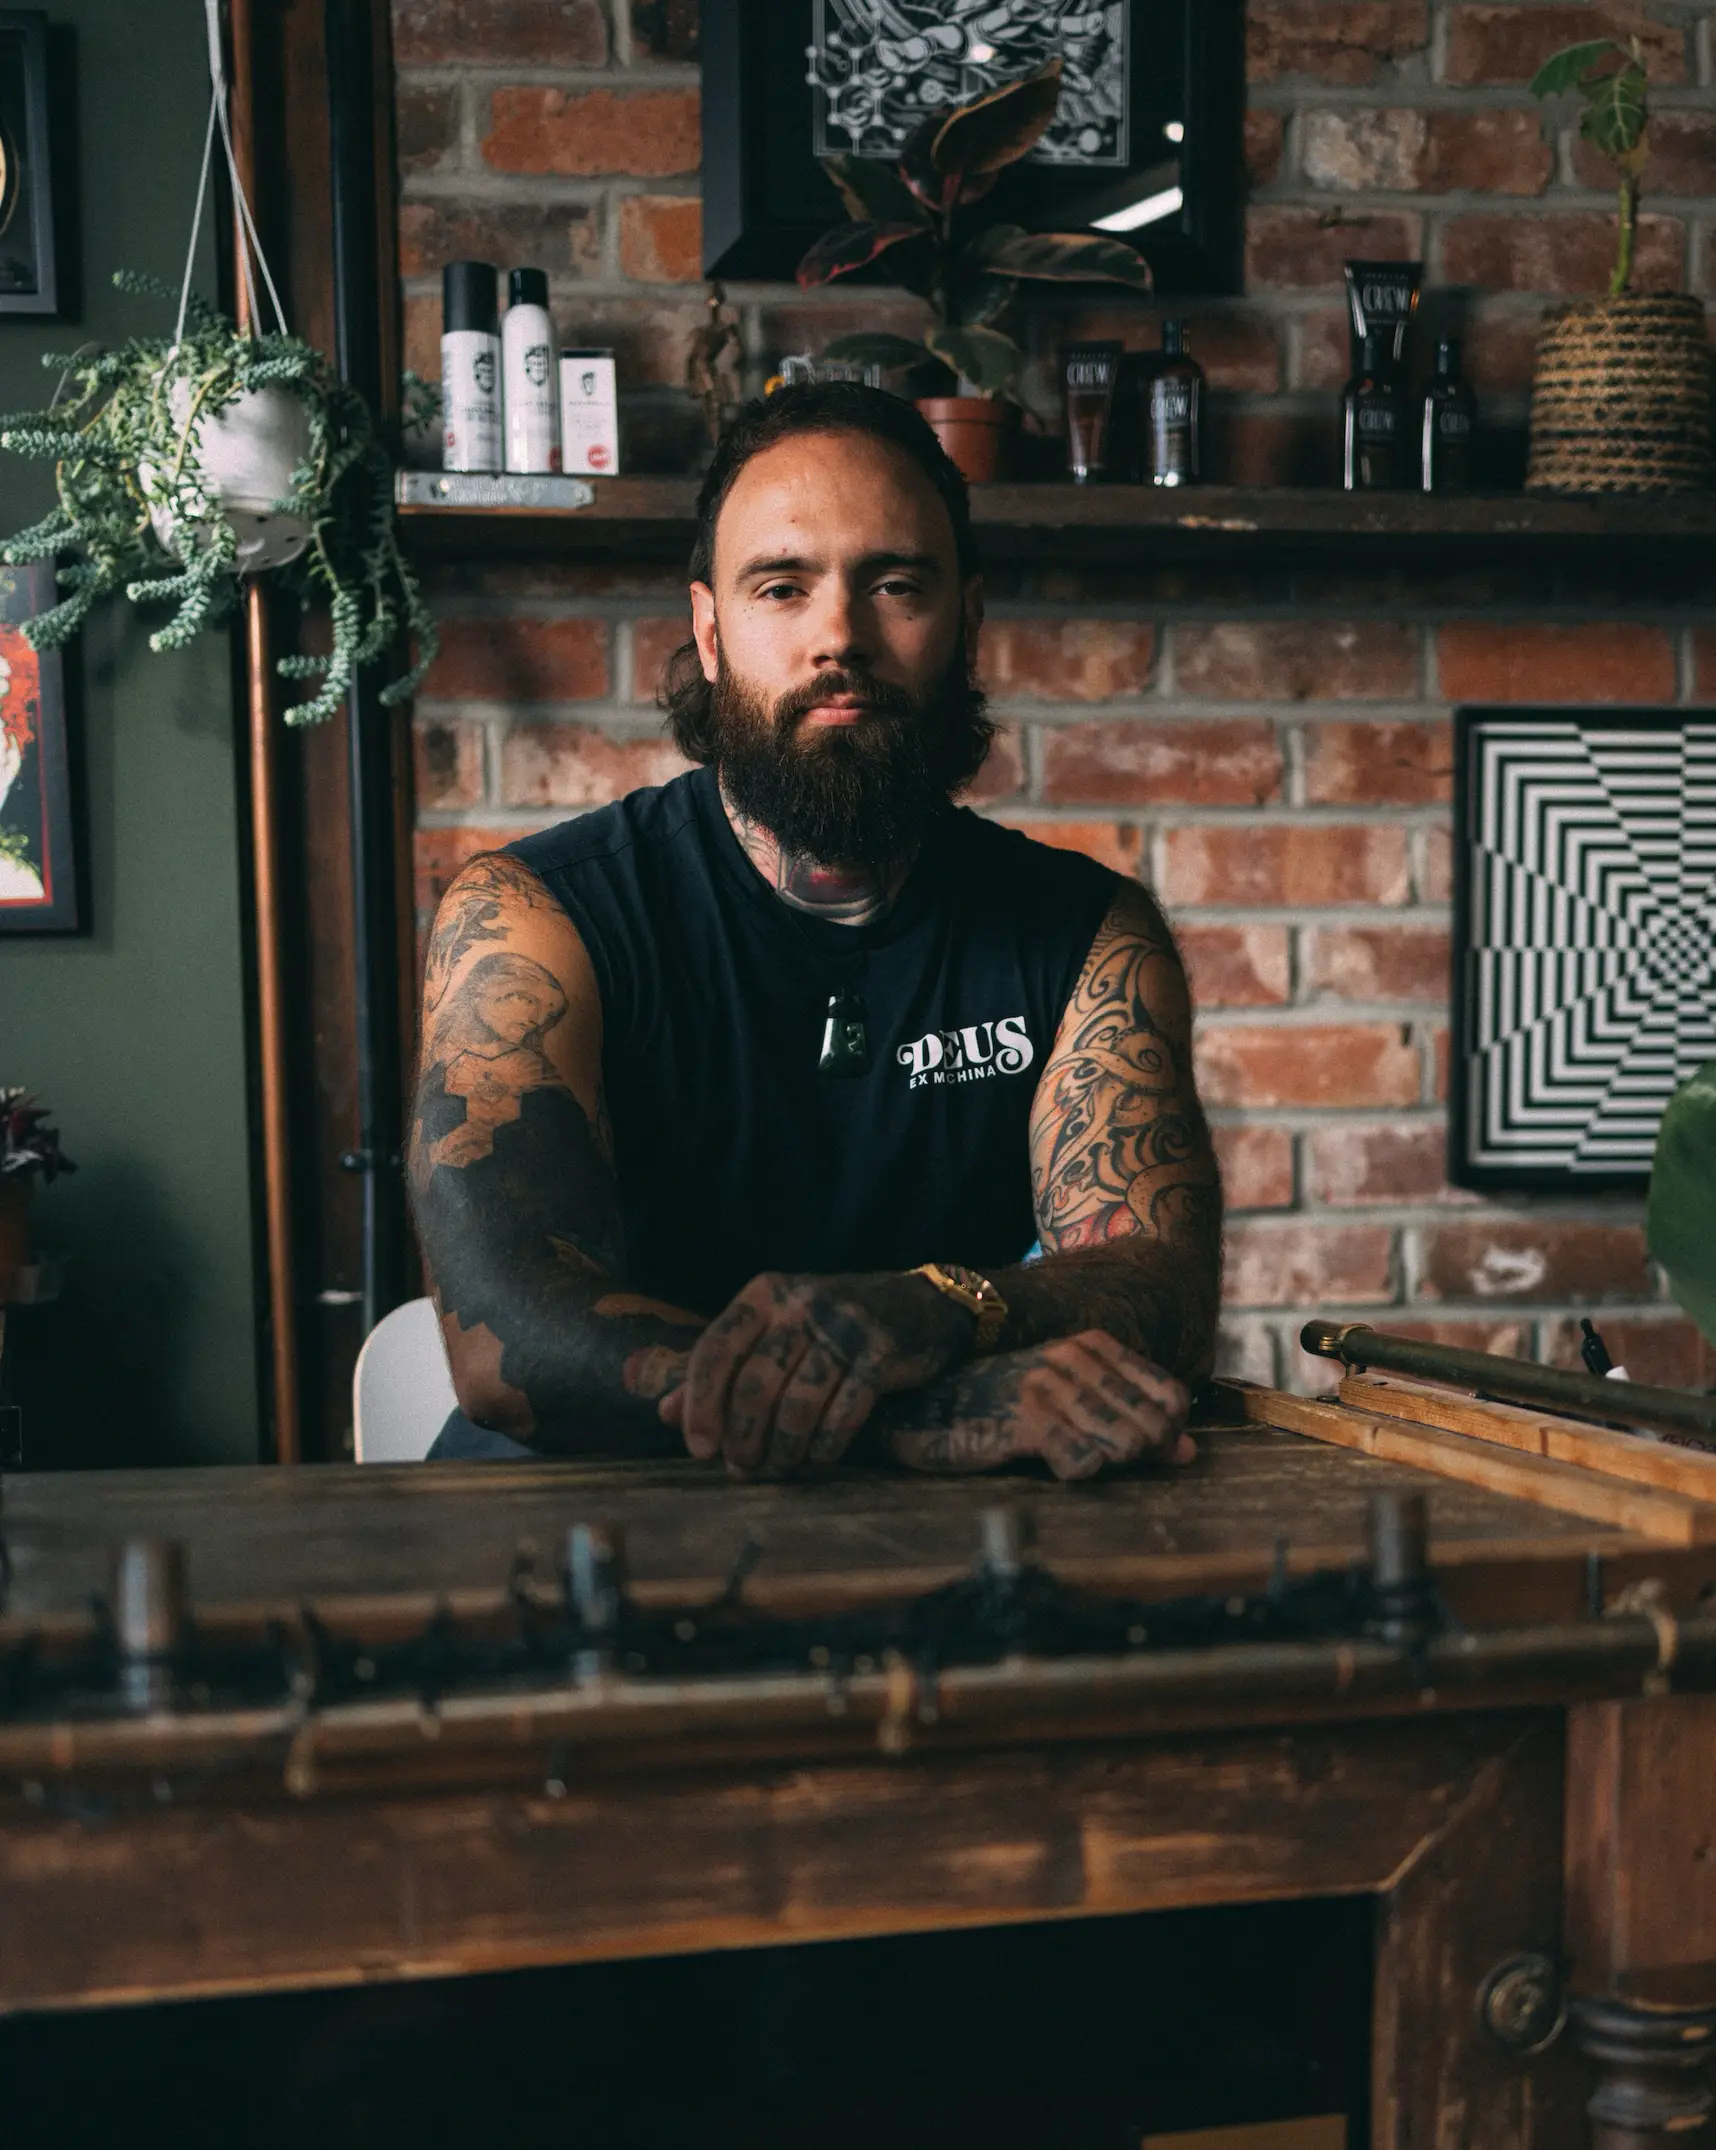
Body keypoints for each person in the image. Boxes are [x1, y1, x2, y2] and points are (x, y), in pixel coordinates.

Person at [411, 382, 1221, 1478]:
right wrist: (931, 1410)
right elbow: (509, 1338)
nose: (839, 637)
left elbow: (1159, 1285)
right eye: (781, 587)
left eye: (894, 582)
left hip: (932, 1553)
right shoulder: (536, 915)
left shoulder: (1084, 935)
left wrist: (928, 1311)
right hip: (578, 1521)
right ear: (708, 627)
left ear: (967, 620)